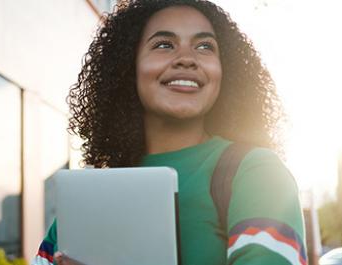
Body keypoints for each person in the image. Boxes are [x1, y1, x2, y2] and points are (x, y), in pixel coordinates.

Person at [31, 0, 307, 265]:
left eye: (205, 46)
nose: (187, 59)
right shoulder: (90, 197)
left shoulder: (257, 173)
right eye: (164, 44)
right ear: (128, 67)